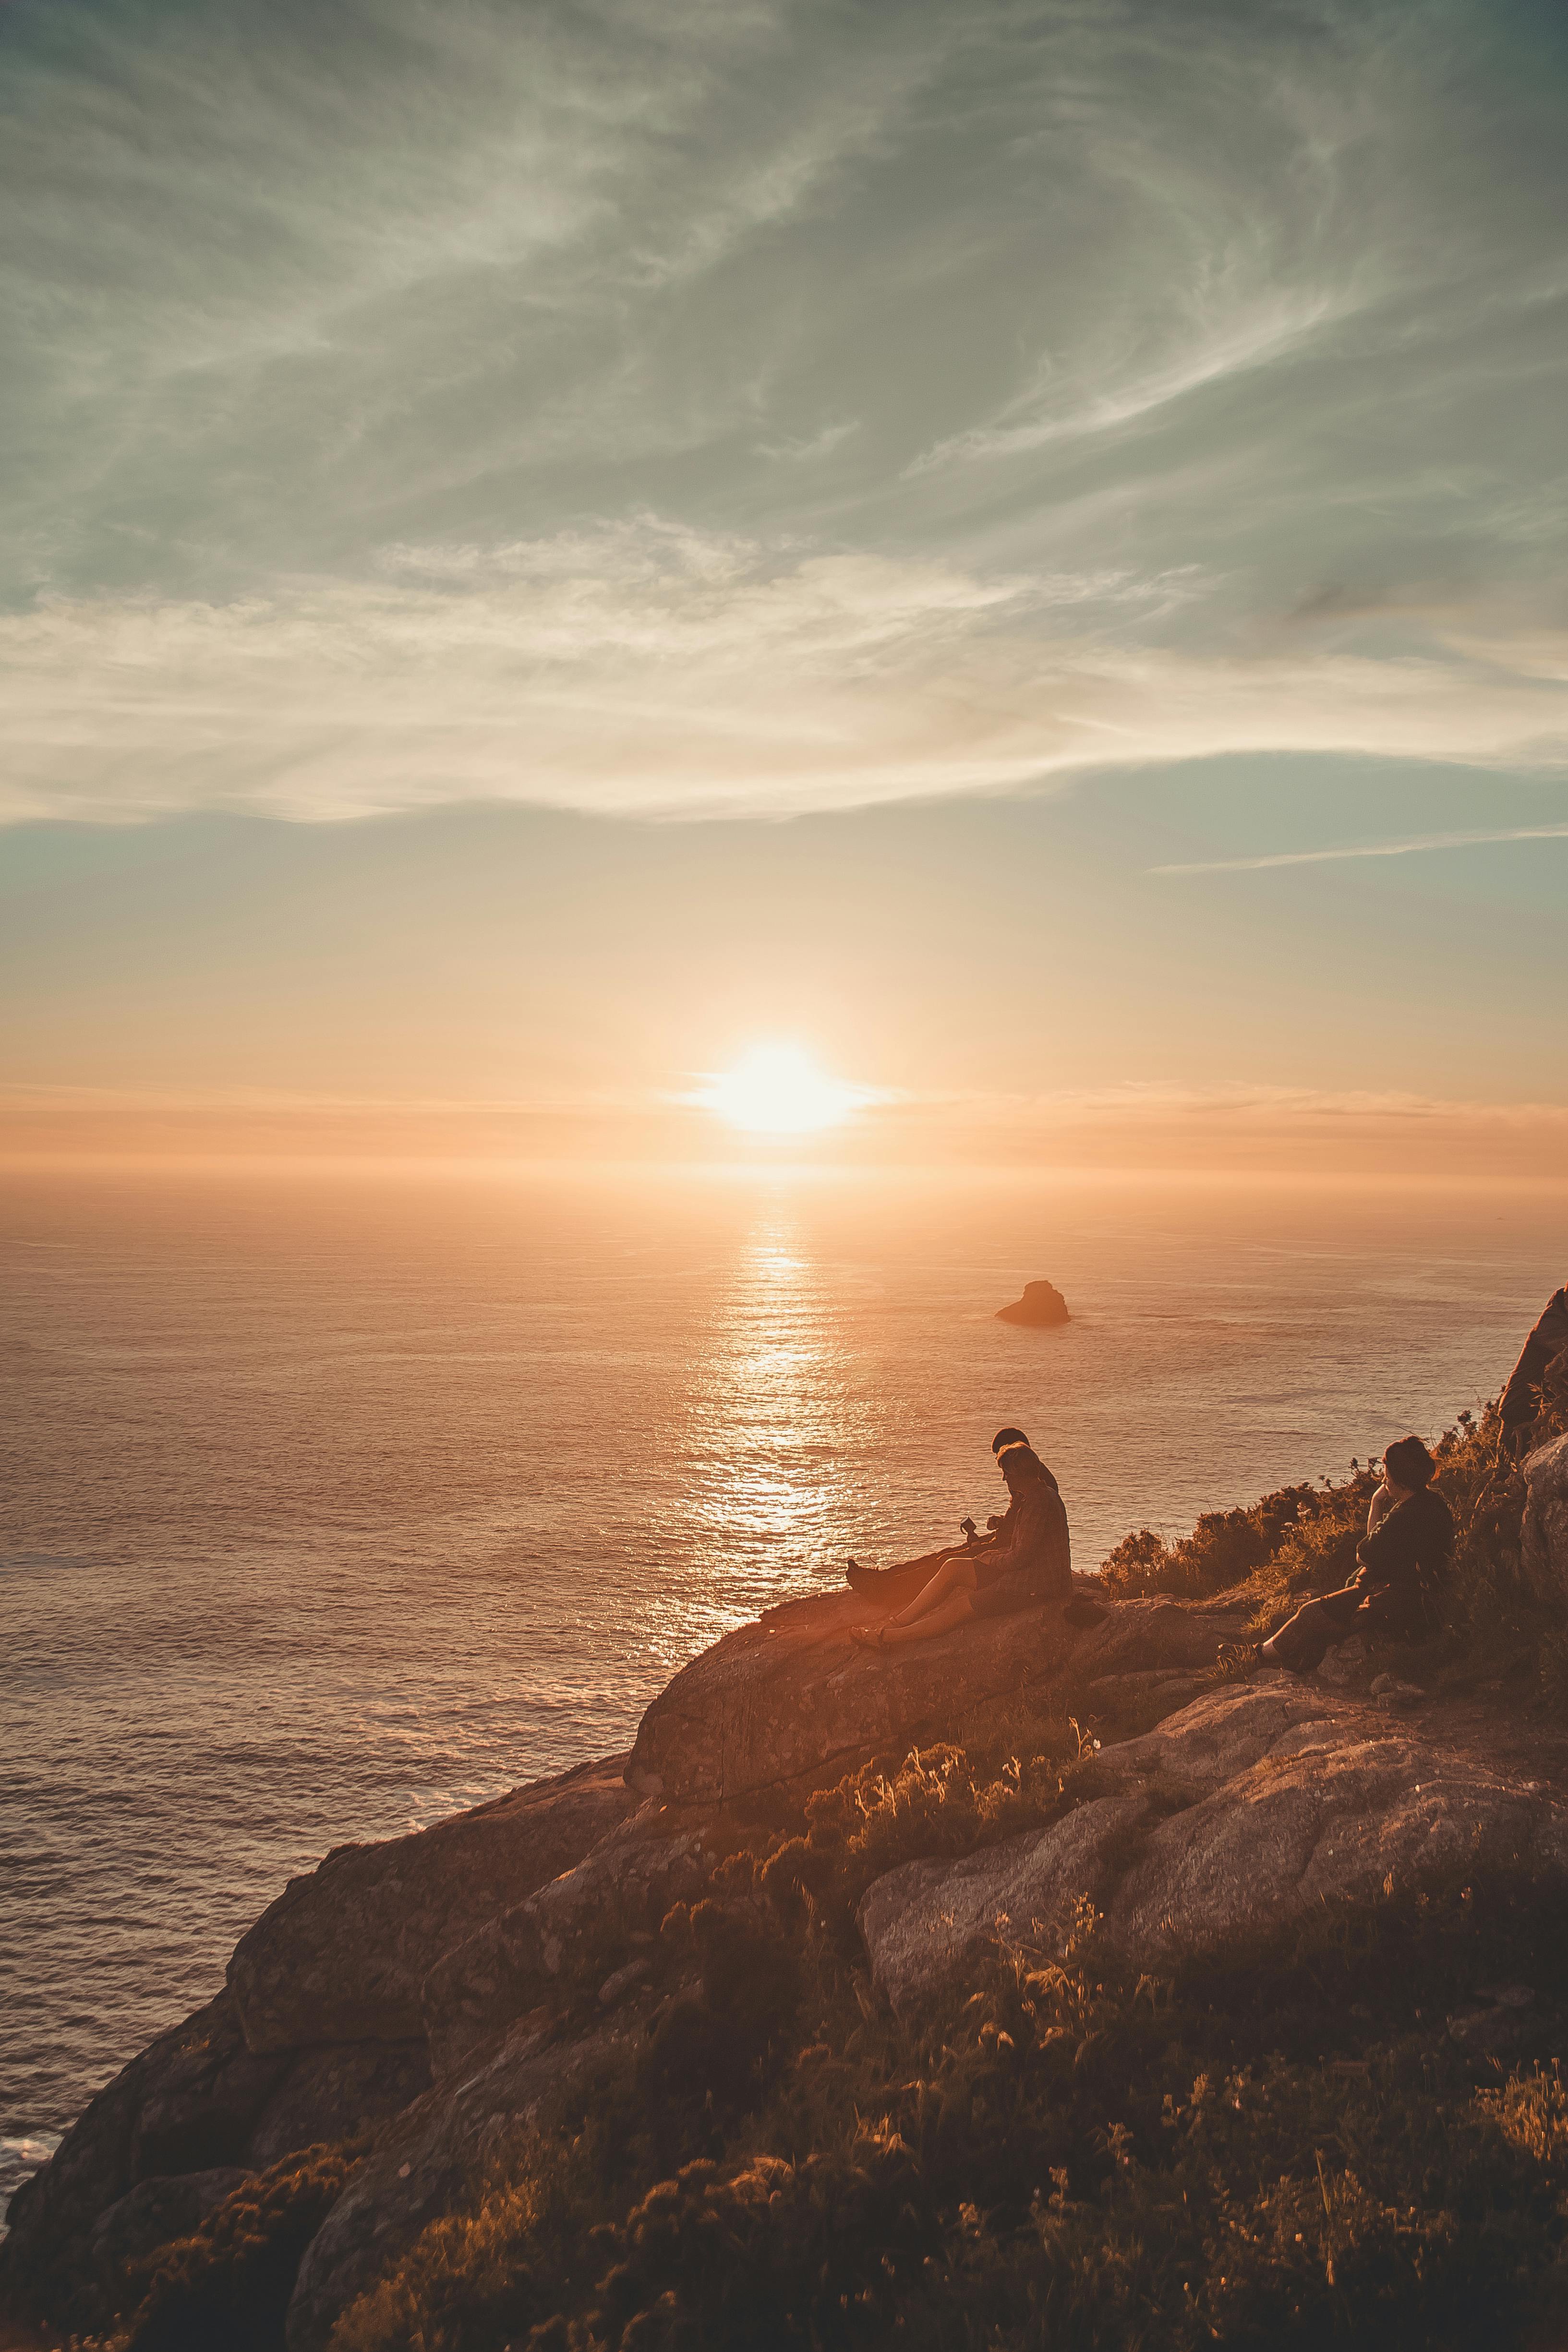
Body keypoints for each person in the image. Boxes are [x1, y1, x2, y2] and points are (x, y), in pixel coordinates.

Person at [1258, 1435, 1452, 1674]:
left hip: (1394, 1595)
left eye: (1388, 1475)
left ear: (1401, 1482)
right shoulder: (1433, 1503)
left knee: (1310, 1612)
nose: (1384, 1479)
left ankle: (1260, 1655)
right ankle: (1285, 1657)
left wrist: (1375, 1504)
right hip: (1420, 1592)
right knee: (1321, 1609)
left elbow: (1365, 1555)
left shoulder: (1403, 1517)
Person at [851, 1440, 1070, 1650]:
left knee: (960, 1608)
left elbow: (1021, 1557)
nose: (1004, 1479)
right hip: (1026, 1574)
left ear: (1020, 1474)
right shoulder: (1035, 1497)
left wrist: (991, 1559)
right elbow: (1027, 1547)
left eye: (1007, 1473)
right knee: (953, 1567)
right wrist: (994, 1551)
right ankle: (895, 1623)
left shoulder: (1039, 1503)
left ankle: (885, 1638)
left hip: (1034, 1587)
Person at [844, 1428, 1054, 1610]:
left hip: (1006, 1548)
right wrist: (1001, 1522)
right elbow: (1021, 1519)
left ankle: (887, 1593)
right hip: (1003, 1540)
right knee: (942, 1554)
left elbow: (1029, 1536)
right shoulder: (1028, 1476)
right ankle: (881, 1579)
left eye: (1001, 1455)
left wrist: (991, 1547)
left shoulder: (1037, 1484)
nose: (1000, 1468)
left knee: (945, 1562)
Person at [1498, 1285, 1568, 1459]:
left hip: (1533, 1415)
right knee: (1512, 1466)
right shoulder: (1554, 1323)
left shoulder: (1560, 1307)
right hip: (1520, 1417)